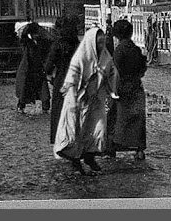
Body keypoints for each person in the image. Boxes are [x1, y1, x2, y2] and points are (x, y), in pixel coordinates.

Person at [53, 26, 115, 175]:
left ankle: (90, 156)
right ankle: (75, 160)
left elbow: (112, 74)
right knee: (77, 132)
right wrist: (73, 101)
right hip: (78, 99)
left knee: (98, 129)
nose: (101, 46)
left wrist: (112, 92)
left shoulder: (106, 57)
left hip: (96, 99)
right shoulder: (80, 57)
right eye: (99, 43)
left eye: (103, 43)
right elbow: (72, 80)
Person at [109, 19, 147, 161]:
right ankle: (139, 149)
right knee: (137, 120)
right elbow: (143, 69)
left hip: (122, 88)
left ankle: (112, 147)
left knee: (116, 118)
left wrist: (113, 89)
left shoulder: (119, 50)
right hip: (136, 87)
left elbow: (116, 71)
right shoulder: (136, 49)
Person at [45, 16, 81, 147]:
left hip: (61, 80)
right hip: (76, 80)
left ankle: (59, 139)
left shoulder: (57, 45)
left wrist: (50, 75)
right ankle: (73, 138)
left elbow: (48, 66)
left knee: (59, 111)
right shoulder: (77, 44)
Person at [15, 21, 52, 114]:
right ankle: (21, 106)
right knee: (24, 90)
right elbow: (23, 37)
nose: (37, 35)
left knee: (44, 91)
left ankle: (45, 108)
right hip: (27, 69)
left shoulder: (41, 42)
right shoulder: (26, 42)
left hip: (38, 69)